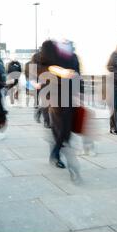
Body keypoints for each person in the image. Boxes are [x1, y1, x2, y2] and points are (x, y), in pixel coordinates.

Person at [40, 39, 81, 171]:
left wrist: (79, 94)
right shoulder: (51, 49)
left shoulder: (74, 57)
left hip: (69, 94)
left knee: (67, 129)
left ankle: (56, 150)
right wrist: (59, 71)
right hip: (53, 92)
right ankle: (56, 153)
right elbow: (43, 67)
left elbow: (78, 75)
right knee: (60, 125)